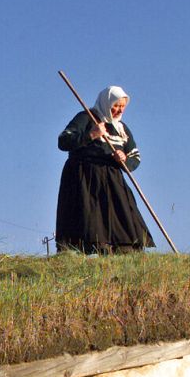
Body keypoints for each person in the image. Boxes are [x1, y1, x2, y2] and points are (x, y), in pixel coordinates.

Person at [55, 86, 154, 254]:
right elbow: (63, 141)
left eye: (122, 106)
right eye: (115, 105)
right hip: (84, 177)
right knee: (89, 215)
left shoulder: (122, 128)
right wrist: (91, 135)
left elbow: (135, 157)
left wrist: (124, 159)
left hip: (112, 178)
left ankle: (124, 250)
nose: (118, 110)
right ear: (106, 103)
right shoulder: (86, 118)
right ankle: (84, 251)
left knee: (122, 214)